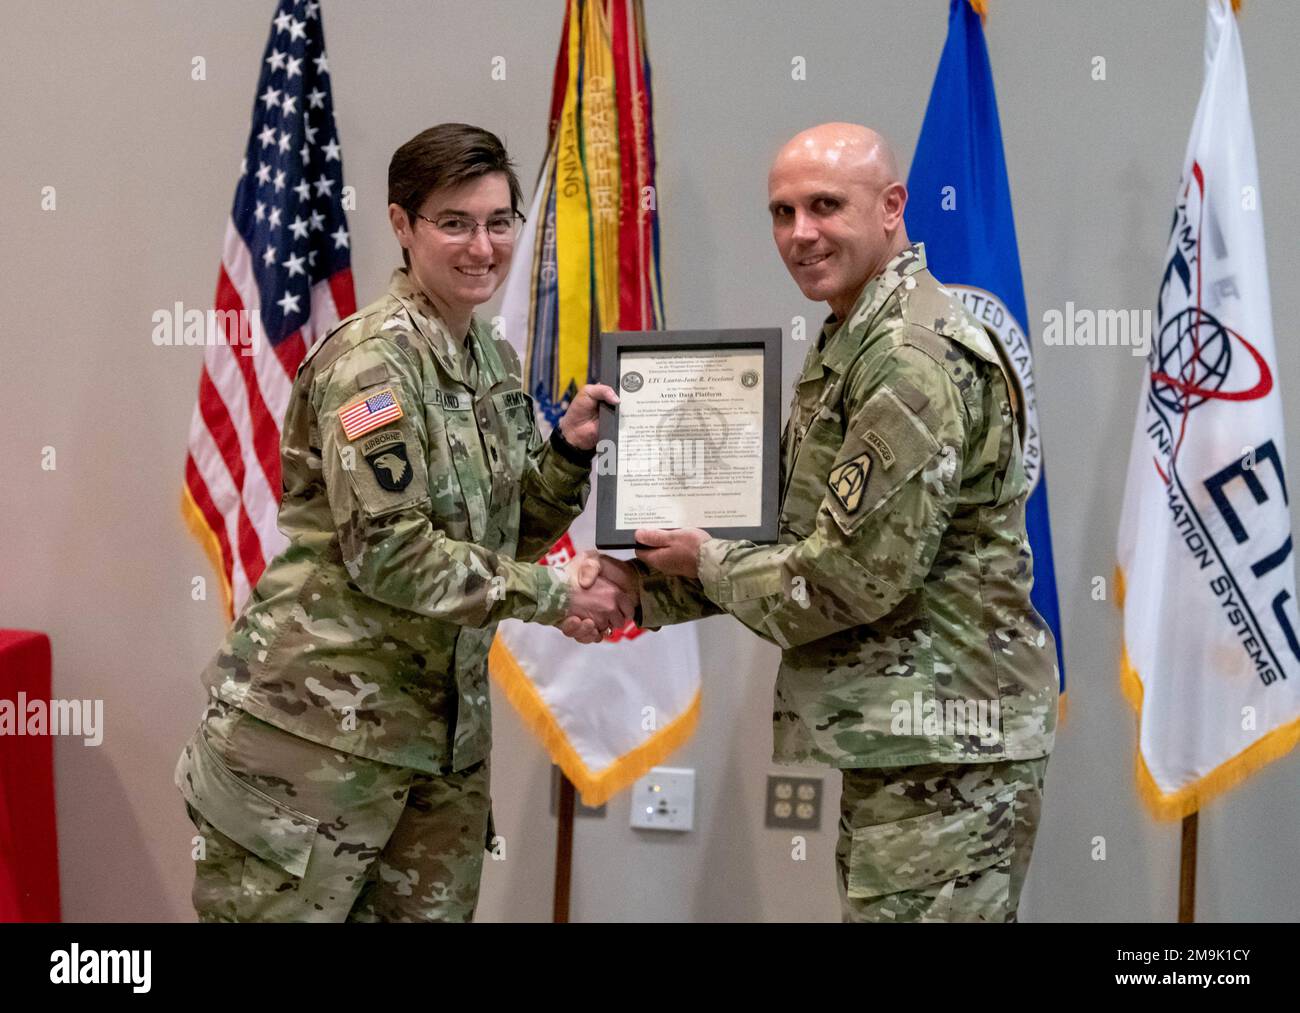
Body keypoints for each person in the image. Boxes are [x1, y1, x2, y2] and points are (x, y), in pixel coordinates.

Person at [573, 123, 1057, 922]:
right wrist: (638, 580)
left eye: (826, 206)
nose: (800, 233)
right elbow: (793, 531)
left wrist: (698, 564)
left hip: (943, 749)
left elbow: (848, 576)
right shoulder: (854, 336)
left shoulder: (910, 357)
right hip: (906, 741)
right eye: (782, 211)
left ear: (893, 206)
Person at [175, 123, 634, 922]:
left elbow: (495, 536)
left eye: (499, 221)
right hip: (314, 744)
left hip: (437, 744)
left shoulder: (484, 357)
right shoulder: (373, 365)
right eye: (454, 222)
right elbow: (393, 554)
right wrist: (560, 597)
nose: (482, 246)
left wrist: (565, 451)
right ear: (402, 225)